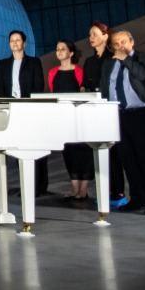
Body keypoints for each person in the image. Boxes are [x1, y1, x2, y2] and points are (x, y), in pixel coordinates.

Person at [100, 29, 145, 215]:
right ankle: (137, 198)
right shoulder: (108, 64)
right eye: (116, 44)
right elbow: (106, 88)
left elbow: (143, 75)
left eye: (123, 42)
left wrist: (125, 59)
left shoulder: (144, 58)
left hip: (140, 114)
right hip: (118, 115)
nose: (120, 46)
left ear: (132, 42)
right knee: (128, 159)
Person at [0, 29, 48, 196]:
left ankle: (39, 186)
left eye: (18, 40)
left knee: (34, 146)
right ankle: (25, 184)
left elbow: (38, 86)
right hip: (11, 110)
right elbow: (0, 88)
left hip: (29, 110)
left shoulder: (33, 62)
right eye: (12, 40)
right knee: (18, 148)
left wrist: (26, 103)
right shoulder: (3, 64)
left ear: (24, 43)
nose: (15, 43)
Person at [82, 21, 126, 206]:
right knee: (99, 152)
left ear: (105, 36)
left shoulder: (112, 58)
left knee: (114, 153)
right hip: (94, 111)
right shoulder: (89, 61)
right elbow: (84, 85)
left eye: (94, 34)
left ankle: (118, 192)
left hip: (111, 110)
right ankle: (105, 191)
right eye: (90, 35)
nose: (91, 38)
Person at [48, 39, 93, 201]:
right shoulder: (52, 72)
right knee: (68, 151)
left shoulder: (79, 71)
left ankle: (83, 189)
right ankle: (74, 189)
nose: (59, 51)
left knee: (84, 151)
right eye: (57, 49)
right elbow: (54, 95)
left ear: (71, 53)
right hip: (63, 118)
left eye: (62, 49)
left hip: (80, 117)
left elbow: (83, 93)